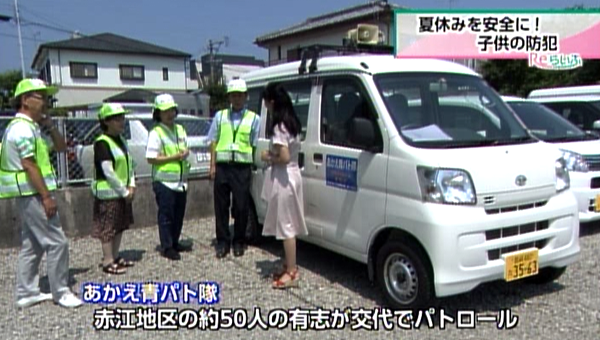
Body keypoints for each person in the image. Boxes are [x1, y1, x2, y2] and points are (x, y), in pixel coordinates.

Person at [0, 78, 83, 308]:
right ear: (25, 100)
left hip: (30, 194)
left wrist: (50, 124)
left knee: (33, 244)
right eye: (41, 97)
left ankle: (26, 292)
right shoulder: (22, 130)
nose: (46, 101)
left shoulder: (32, 128)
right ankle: (61, 291)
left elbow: (60, 147)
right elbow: (29, 165)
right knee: (58, 242)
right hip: (33, 194)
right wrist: (46, 196)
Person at [260, 82, 308, 289]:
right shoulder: (292, 122)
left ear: (271, 102)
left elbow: (284, 156)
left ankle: (291, 270)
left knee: (287, 226)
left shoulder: (279, 126)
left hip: (284, 177)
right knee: (290, 223)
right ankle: (289, 264)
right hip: (294, 174)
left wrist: (268, 156)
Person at [207, 79, 260, 258]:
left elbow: (254, 144)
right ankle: (222, 242)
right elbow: (213, 140)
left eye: (240, 95)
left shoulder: (254, 118)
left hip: (242, 168)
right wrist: (212, 165)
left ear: (245, 97)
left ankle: (239, 241)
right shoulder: (220, 116)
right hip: (222, 166)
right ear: (229, 97)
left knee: (241, 206)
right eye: (233, 95)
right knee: (221, 206)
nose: (237, 98)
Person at [146, 94, 192, 261]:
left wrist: (185, 153)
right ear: (158, 113)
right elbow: (151, 158)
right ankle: (167, 247)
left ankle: (175, 241)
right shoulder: (156, 132)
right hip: (164, 181)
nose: (169, 114)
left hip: (180, 181)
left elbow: (184, 148)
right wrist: (173, 157)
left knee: (178, 214)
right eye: (165, 111)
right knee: (166, 215)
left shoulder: (180, 129)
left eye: (171, 110)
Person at [91, 103, 136, 274]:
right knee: (108, 227)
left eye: (122, 118)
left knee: (120, 225)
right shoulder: (102, 143)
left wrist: (131, 185)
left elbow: (129, 164)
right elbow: (108, 171)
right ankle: (108, 261)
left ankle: (115, 257)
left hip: (123, 193)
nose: (121, 122)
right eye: (117, 119)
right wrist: (125, 191)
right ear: (106, 122)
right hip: (109, 194)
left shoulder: (121, 141)